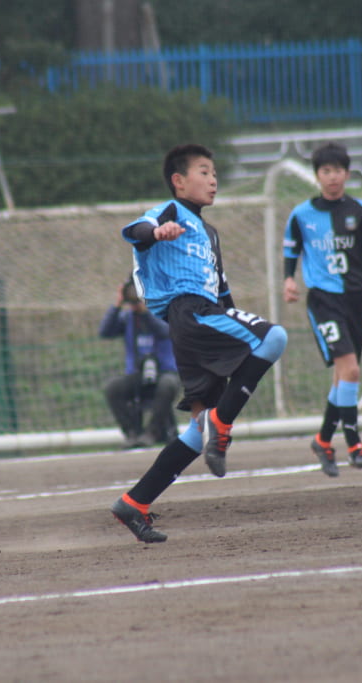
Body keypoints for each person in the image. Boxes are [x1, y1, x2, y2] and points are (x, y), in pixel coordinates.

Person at [109, 143, 288, 543]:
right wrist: (156, 232)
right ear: (178, 181)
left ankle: (134, 503)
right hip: (188, 314)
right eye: (204, 172)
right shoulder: (170, 212)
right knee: (275, 336)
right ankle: (222, 424)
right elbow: (135, 232)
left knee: (196, 430)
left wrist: (236, 331)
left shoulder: (210, 233)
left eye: (214, 173)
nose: (213, 179)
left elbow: (224, 295)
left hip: (199, 321)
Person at [283, 142, 362, 476]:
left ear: (347, 173)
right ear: (317, 175)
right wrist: (289, 279)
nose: (332, 177)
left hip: (355, 301)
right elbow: (291, 252)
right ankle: (355, 444)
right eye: (325, 171)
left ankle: (322, 440)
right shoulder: (301, 214)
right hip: (323, 301)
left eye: (338, 171)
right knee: (351, 370)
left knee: (343, 376)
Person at [98, 277, 180, 448]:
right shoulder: (127, 318)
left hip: (165, 373)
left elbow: (164, 331)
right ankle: (133, 433)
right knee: (113, 387)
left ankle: (153, 432)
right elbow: (105, 332)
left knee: (167, 385)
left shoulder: (165, 311)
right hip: (136, 374)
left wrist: (145, 311)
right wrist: (117, 305)